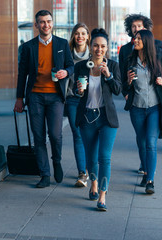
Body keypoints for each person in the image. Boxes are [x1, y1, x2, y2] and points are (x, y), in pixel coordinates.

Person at [14, 10, 74, 188]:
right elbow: (22, 74)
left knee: (55, 135)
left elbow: (71, 65)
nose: (45, 25)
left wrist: (66, 72)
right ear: (36, 25)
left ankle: (56, 161)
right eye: (41, 22)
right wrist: (19, 98)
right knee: (38, 137)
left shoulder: (62, 44)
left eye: (48, 21)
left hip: (55, 96)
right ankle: (45, 174)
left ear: (52, 23)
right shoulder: (28, 47)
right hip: (35, 97)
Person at [74, 28, 121, 211]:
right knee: (91, 158)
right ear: (90, 46)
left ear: (107, 48)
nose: (98, 49)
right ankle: (93, 184)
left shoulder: (114, 66)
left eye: (102, 46)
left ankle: (102, 195)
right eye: (95, 45)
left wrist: (108, 75)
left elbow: (118, 90)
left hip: (107, 118)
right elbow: (76, 92)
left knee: (104, 158)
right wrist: (78, 91)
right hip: (87, 116)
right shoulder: (81, 67)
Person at [118, 13, 162, 175]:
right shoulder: (126, 51)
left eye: (139, 26)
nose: (135, 29)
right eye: (133, 27)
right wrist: (126, 92)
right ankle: (144, 164)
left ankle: (149, 176)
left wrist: (161, 81)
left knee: (150, 142)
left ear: (145, 28)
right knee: (142, 139)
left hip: (154, 103)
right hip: (136, 103)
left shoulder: (157, 46)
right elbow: (121, 76)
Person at [66, 23, 90, 187]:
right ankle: (82, 172)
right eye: (77, 33)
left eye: (83, 33)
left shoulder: (95, 55)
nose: (80, 36)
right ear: (73, 36)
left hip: (91, 101)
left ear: (88, 36)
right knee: (77, 134)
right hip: (73, 99)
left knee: (90, 135)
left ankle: (92, 168)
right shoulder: (67, 55)